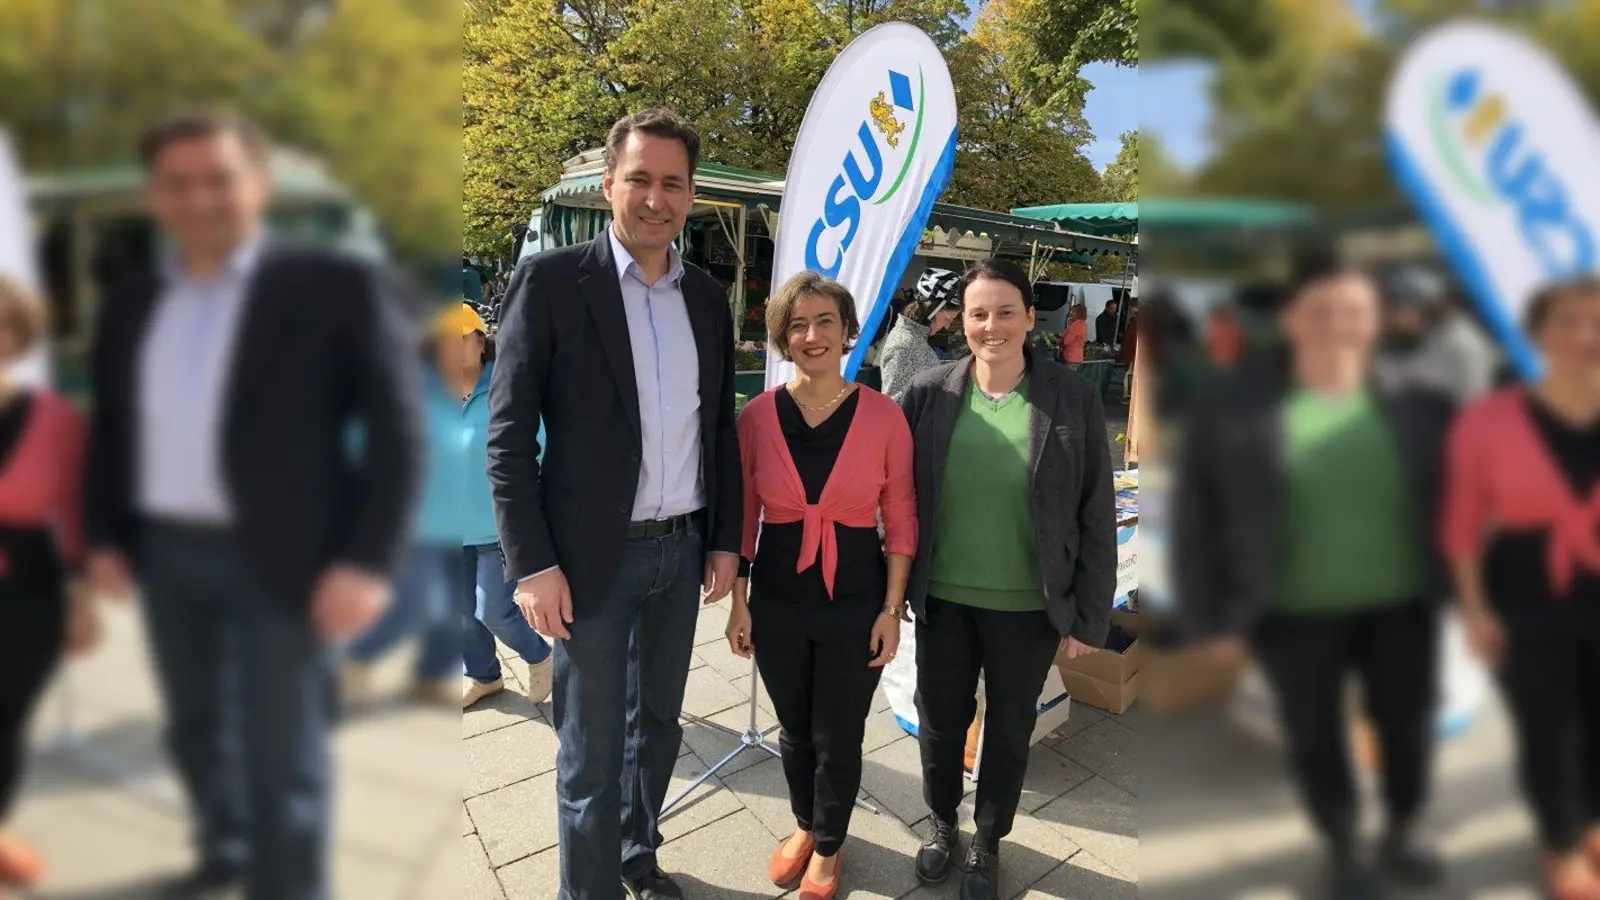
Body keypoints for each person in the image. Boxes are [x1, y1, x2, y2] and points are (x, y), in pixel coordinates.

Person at [83, 110, 423, 900]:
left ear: (258, 186)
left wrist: (367, 562)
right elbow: (112, 428)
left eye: (220, 179)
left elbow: (398, 430)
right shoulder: (132, 300)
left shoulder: (332, 287)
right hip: (166, 553)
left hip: (289, 559)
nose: (200, 198)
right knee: (194, 728)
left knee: (283, 756)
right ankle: (224, 847)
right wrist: (101, 537)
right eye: (178, 183)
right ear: (154, 197)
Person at [488, 108, 742, 900]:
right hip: (591, 562)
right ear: (608, 187)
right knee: (590, 753)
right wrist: (531, 565)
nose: (655, 198)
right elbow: (506, 439)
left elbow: (719, 430)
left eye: (673, 183)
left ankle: (637, 855)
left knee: (659, 729)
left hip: (681, 550)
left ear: (692, 196)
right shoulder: (556, 282)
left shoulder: (706, 296)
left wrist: (725, 540)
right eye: (640, 179)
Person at [1172, 258, 1456, 900]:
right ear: (1291, 320)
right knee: (1314, 733)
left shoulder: (1421, 407)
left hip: (1404, 607)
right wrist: (1208, 617)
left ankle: (1403, 829)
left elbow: (1461, 508)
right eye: (1321, 312)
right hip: (1290, 611)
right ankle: (1343, 844)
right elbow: (1197, 518)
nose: (1338, 327)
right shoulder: (1232, 405)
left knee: (1409, 726)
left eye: (1354, 313)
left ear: (1376, 320)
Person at [899, 258, 1114, 900]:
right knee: (939, 721)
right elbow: (899, 501)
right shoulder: (929, 393)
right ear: (960, 322)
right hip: (942, 599)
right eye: (977, 314)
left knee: (1011, 728)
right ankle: (942, 825)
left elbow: (1095, 507)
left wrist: (1088, 615)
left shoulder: (1069, 396)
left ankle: (987, 842)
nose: (990, 325)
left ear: (1028, 318)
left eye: (1004, 311)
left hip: (1028, 606)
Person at [722, 272, 917, 900]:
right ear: (782, 338)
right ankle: (806, 824)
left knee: (841, 730)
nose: (812, 335)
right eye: (797, 325)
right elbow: (744, 512)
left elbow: (903, 515)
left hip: (857, 594)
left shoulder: (885, 416)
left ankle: (829, 847)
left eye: (825, 321)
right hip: (777, 597)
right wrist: (738, 604)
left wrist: (893, 608)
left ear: (847, 329)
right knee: (794, 726)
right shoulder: (756, 417)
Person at [1441, 278, 1600, 899]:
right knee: (1550, 725)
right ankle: (1560, 841)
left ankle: (1591, 818)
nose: (1586, 336)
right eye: (1569, 321)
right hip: (1527, 588)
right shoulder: (1491, 419)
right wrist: (1476, 611)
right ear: (1538, 333)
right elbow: (1460, 524)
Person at [0, 278, 97, 893]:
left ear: (20, 336)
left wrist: (83, 600)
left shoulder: (56, 421)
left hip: (27, 597)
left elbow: (77, 517)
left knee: (4, 722)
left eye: (4, 322)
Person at [443, 301, 553, 709]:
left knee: (494, 609)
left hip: (498, 525)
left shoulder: (506, 386)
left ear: (479, 340)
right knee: (460, 612)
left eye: (459, 340)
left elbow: (535, 448)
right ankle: (484, 674)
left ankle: (540, 655)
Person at [879, 268, 961, 401]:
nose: (947, 327)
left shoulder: (913, 339)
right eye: (948, 319)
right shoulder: (905, 346)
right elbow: (895, 406)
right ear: (933, 309)